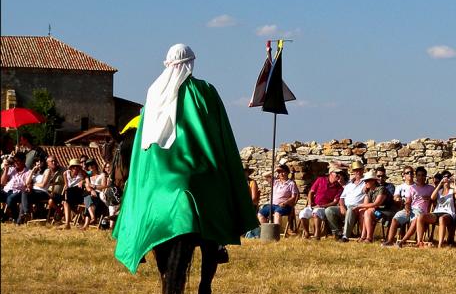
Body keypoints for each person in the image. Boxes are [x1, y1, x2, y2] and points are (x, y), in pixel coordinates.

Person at [112, 43, 258, 273]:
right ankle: (218, 242)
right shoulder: (204, 90)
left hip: (161, 170)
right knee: (216, 184)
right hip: (195, 168)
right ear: (191, 63)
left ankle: (136, 235)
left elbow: (144, 141)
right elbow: (218, 134)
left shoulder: (153, 93)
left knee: (139, 187)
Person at [299, 165, 346, 239]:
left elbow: (335, 202)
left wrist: (323, 206)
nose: (338, 175)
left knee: (316, 212)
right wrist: (309, 203)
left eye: (340, 174)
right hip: (313, 205)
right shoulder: (320, 180)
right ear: (331, 173)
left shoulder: (339, 187)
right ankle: (306, 233)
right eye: (336, 173)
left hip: (325, 207)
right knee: (303, 213)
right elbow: (311, 192)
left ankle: (317, 235)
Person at [259, 164, 299, 235]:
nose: (281, 174)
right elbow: (264, 175)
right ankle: (267, 233)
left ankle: (275, 234)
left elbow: (294, 197)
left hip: (284, 206)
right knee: (261, 213)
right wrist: (274, 170)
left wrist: (286, 202)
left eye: (283, 172)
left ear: (287, 173)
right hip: (272, 205)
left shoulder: (291, 183)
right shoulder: (275, 181)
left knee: (277, 213)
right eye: (280, 172)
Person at [381, 166, 416, 246]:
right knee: (395, 219)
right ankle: (390, 240)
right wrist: (397, 199)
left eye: (411, 172)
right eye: (407, 173)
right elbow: (395, 197)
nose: (410, 174)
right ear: (403, 175)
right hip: (403, 208)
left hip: (414, 208)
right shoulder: (400, 187)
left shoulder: (416, 186)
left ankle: (404, 240)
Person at [337, 161, 369, 241]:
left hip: (357, 208)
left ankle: (345, 236)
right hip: (346, 206)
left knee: (350, 210)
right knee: (329, 211)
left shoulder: (366, 182)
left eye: (359, 169)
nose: (357, 172)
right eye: (355, 170)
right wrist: (341, 206)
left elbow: (373, 177)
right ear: (353, 172)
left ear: (362, 170)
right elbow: (342, 197)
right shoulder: (349, 184)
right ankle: (336, 232)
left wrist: (367, 186)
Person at [1, 152, 32, 224]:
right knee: (8, 197)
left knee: (10, 199)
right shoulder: (11, 169)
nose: (16, 163)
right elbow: (2, 182)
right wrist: (6, 170)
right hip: (6, 190)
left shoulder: (28, 172)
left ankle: (15, 217)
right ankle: (3, 215)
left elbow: (29, 185)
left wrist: (28, 187)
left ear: (23, 161)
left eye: (18, 161)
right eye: (15, 161)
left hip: (18, 192)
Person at [61, 159, 88, 229]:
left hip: (78, 192)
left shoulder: (82, 173)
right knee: (66, 201)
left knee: (68, 198)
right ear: (71, 167)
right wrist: (66, 193)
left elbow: (88, 178)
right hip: (70, 193)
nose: (75, 168)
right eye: (73, 167)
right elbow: (66, 186)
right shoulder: (65, 173)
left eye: (77, 166)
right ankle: (67, 224)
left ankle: (68, 222)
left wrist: (82, 181)